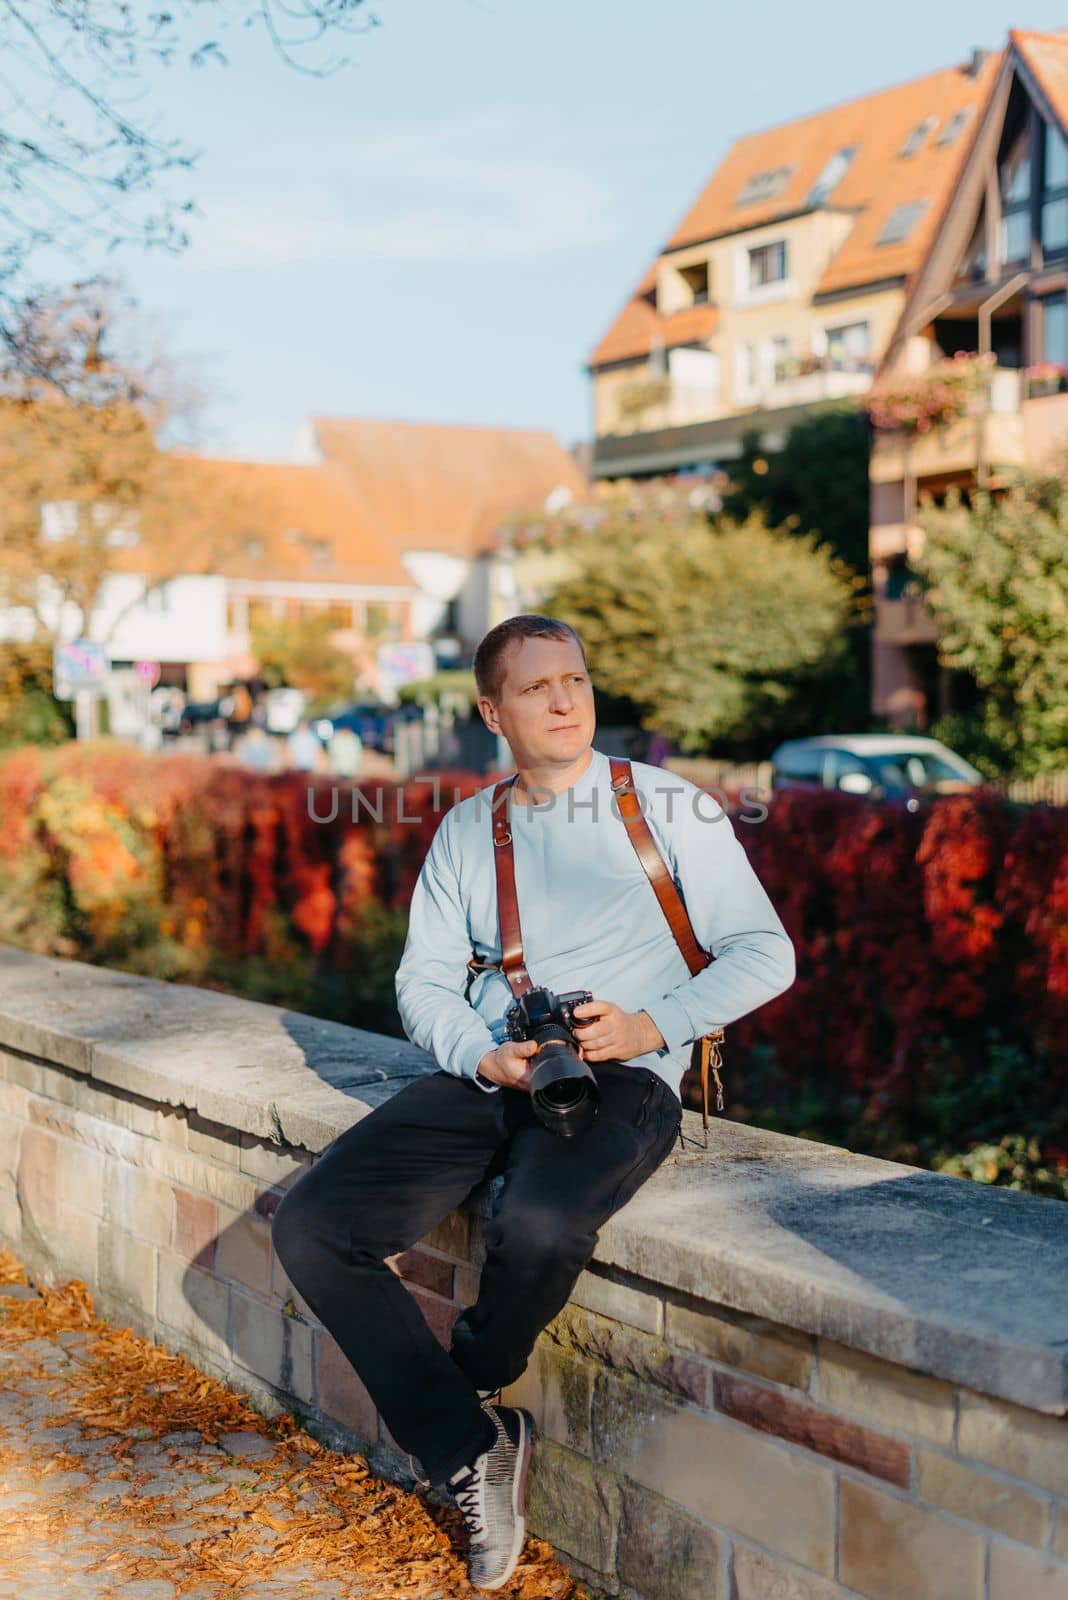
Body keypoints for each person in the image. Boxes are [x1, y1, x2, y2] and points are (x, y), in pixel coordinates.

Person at [271, 614, 795, 1590]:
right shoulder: (473, 830)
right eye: (537, 686)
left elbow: (768, 953)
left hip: (625, 1078)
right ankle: (472, 1447)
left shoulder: (671, 809)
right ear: (491, 710)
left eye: (576, 680)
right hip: (496, 1066)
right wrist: (483, 1053)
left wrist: (649, 1025)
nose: (565, 700)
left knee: (544, 1217)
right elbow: (424, 981)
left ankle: (469, 1374)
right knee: (311, 1223)